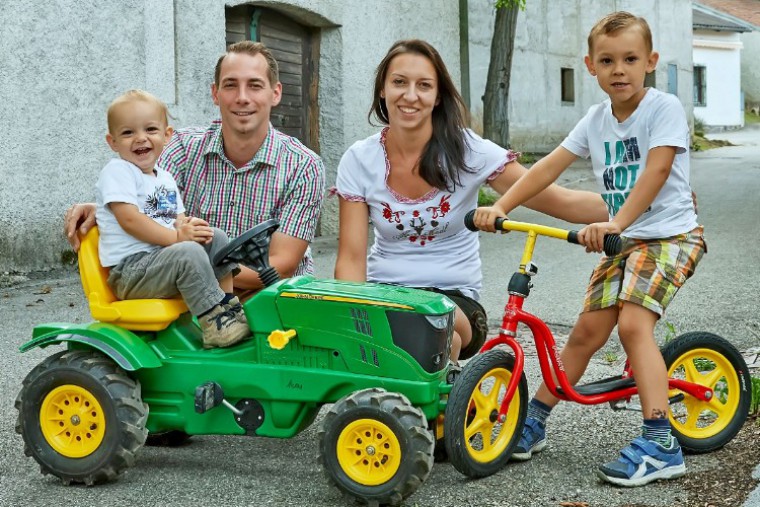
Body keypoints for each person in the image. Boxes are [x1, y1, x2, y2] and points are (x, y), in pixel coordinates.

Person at [474, 12, 706, 486]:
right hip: (625, 241)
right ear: (590, 66)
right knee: (584, 333)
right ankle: (535, 418)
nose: (618, 69)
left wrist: (614, 222)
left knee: (632, 324)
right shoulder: (596, 119)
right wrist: (498, 205)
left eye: (629, 59)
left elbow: (656, 173)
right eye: (607, 60)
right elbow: (546, 169)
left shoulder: (663, 109)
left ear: (650, 62)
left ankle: (661, 443)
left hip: (670, 237)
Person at [333, 39, 609, 363]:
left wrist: (650, 204)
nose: (410, 95)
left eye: (424, 85)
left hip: (454, 302)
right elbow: (351, 259)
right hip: (384, 294)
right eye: (399, 82)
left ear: (437, 97)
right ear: (382, 89)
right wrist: (353, 321)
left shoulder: (468, 152)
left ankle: (438, 407)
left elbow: (562, 201)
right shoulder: (359, 159)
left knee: (427, 331)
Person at [66, 41, 326, 293]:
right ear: (216, 93)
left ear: (275, 93)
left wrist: (197, 269)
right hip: (194, 296)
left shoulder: (304, 165)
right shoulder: (181, 147)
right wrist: (106, 206)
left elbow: (279, 266)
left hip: (272, 296)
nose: (242, 97)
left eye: (255, 86)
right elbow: (149, 200)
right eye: (231, 85)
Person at [97, 89, 250, 348]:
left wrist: (187, 228)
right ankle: (214, 322)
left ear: (167, 135)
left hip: (160, 262)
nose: (140, 138)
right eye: (128, 132)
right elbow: (129, 220)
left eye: (150, 129)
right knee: (187, 252)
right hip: (131, 272)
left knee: (216, 236)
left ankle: (227, 307)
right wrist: (178, 237)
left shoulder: (164, 178)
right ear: (112, 142)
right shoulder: (118, 171)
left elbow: (177, 218)